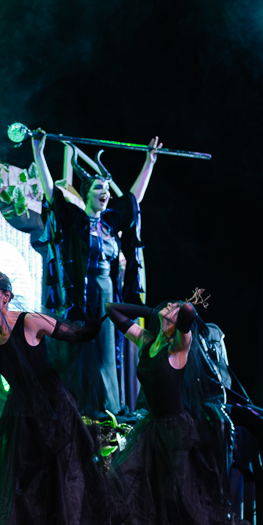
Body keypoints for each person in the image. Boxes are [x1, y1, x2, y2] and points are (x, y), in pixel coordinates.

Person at [0, 274, 138, 525]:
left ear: (5, 296)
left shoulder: (30, 321)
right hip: (22, 415)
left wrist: (92, 325)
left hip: (54, 410)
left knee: (66, 478)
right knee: (29, 481)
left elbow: (75, 334)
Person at [106, 297, 256, 525]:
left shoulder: (180, 345)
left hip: (177, 432)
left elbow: (188, 311)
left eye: (172, 307)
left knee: (179, 494)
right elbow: (112, 309)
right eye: (167, 306)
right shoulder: (147, 340)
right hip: (153, 428)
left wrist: (177, 310)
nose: (168, 307)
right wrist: (152, 311)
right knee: (127, 478)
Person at [32, 130, 161, 420]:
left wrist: (149, 162)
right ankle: (76, 409)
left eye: (106, 189)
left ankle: (107, 410)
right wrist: (38, 152)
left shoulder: (110, 224)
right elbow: (52, 194)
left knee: (105, 352)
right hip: (79, 296)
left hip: (106, 295)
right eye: (98, 188)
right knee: (78, 352)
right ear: (86, 194)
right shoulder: (74, 219)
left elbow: (132, 200)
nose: (105, 192)